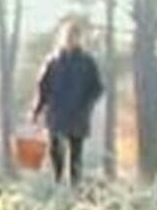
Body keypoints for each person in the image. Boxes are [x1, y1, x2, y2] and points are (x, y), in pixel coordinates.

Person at [31, 20, 104, 186]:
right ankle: (57, 181)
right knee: (55, 150)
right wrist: (37, 110)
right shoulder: (53, 61)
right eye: (68, 36)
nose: (71, 40)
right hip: (56, 113)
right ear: (62, 38)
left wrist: (86, 105)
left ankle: (75, 186)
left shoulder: (87, 62)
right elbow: (43, 87)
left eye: (75, 37)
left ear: (80, 39)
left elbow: (97, 87)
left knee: (76, 154)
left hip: (78, 114)